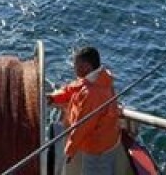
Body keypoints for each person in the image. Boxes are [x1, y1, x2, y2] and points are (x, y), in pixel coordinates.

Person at [47, 46, 121, 174]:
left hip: (98, 147)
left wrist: (69, 151)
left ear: (86, 67)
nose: (74, 67)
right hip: (109, 139)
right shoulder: (99, 76)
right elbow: (74, 88)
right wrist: (54, 98)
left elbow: (82, 126)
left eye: (76, 65)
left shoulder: (92, 94)